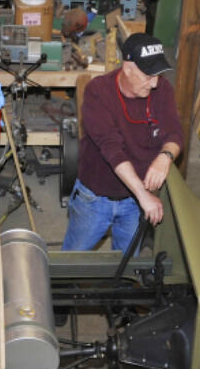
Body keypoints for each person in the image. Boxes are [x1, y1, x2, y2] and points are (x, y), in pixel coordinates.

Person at [62, 34, 184, 252]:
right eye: (148, 76)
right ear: (128, 69)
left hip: (134, 202)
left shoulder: (162, 90)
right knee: (72, 262)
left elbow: (174, 133)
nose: (155, 82)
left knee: (129, 267)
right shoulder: (98, 92)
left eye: (157, 75)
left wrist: (165, 157)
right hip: (95, 199)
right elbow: (112, 150)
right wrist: (143, 195)